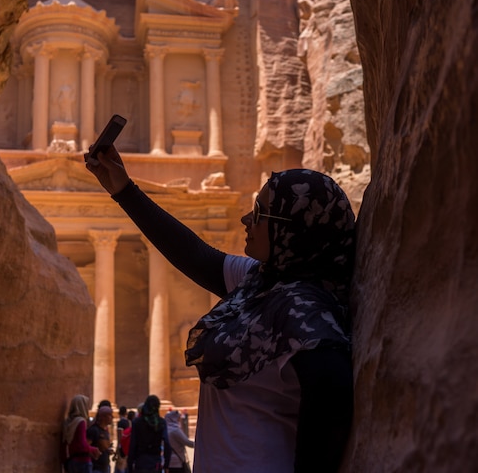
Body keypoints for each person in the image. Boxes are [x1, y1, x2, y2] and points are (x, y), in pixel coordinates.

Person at [85, 146, 355, 472]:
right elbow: (196, 256)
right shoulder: (262, 283)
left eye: (260, 213)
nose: (247, 220)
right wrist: (124, 190)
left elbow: (333, 393)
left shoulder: (305, 313)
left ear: (293, 231)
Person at [127, 395, 171, 473]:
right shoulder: (161, 422)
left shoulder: (137, 422)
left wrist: (130, 465)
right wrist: (166, 465)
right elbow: (167, 443)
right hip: (155, 463)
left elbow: (133, 444)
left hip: (140, 463)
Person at [61, 395, 101, 473]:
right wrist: (94, 450)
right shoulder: (81, 422)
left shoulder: (68, 422)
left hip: (71, 461)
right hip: (82, 461)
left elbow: (64, 443)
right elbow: (82, 444)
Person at [88, 405, 115, 473]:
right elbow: (86, 447)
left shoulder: (105, 431)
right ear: (103, 417)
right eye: (110, 415)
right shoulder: (94, 430)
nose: (112, 417)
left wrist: (107, 450)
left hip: (105, 467)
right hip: (96, 468)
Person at [114, 406, 130, 473]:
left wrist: (116, 452)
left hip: (122, 449)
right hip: (128, 447)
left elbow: (119, 438)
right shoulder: (128, 422)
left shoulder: (120, 423)